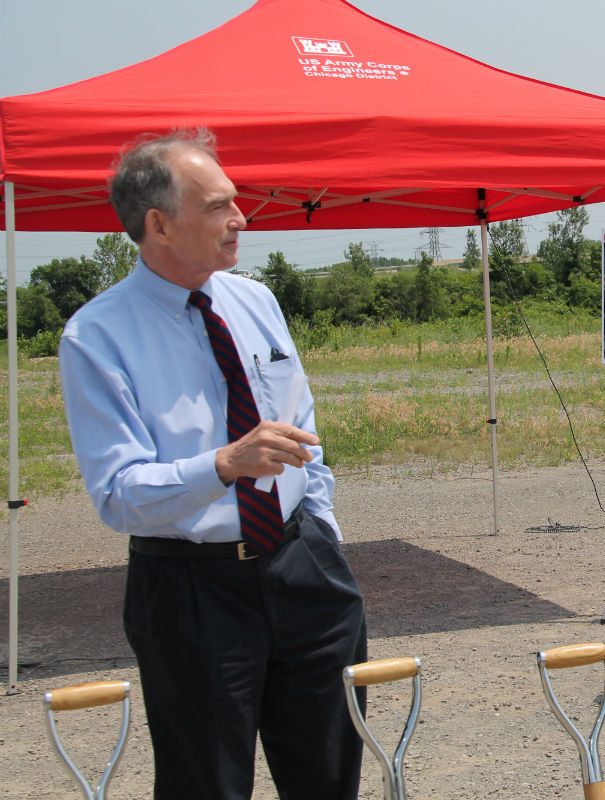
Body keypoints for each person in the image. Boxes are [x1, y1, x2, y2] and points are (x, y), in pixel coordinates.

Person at [58, 128, 368, 798]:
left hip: (301, 570)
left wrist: (321, 534)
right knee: (208, 785)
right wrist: (222, 466)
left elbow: (302, 429)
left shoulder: (254, 300)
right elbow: (118, 495)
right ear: (159, 224)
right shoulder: (96, 335)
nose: (241, 218)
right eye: (218, 205)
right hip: (190, 592)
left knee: (330, 776)